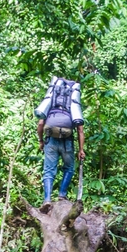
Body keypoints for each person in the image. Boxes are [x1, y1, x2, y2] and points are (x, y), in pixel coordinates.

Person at [34, 77, 85, 211]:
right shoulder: (73, 106)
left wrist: (40, 141)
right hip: (67, 141)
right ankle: (62, 195)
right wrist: (81, 150)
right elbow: (80, 130)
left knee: (49, 171)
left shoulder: (50, 104)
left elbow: (40, 124)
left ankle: (47, 199)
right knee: (69, 168)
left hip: (50, 140)